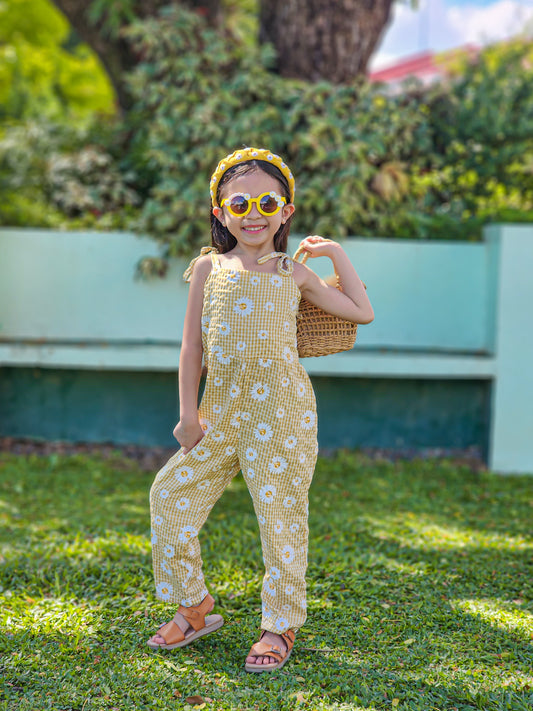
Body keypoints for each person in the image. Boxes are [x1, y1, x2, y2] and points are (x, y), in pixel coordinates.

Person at [147, 147, 374, 672]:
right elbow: (192, 348)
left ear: (286, 212)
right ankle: (195, 606)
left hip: (284, 415)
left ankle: (280, 624)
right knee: (170, 496)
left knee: (281, 520)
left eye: (267, 202)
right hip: (220, 414)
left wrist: (336, 255)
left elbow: (360, 311)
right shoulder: (208, 267)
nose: (254, 213)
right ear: (220, 212)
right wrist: (187, 415)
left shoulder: (292, 272)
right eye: (240, 202)